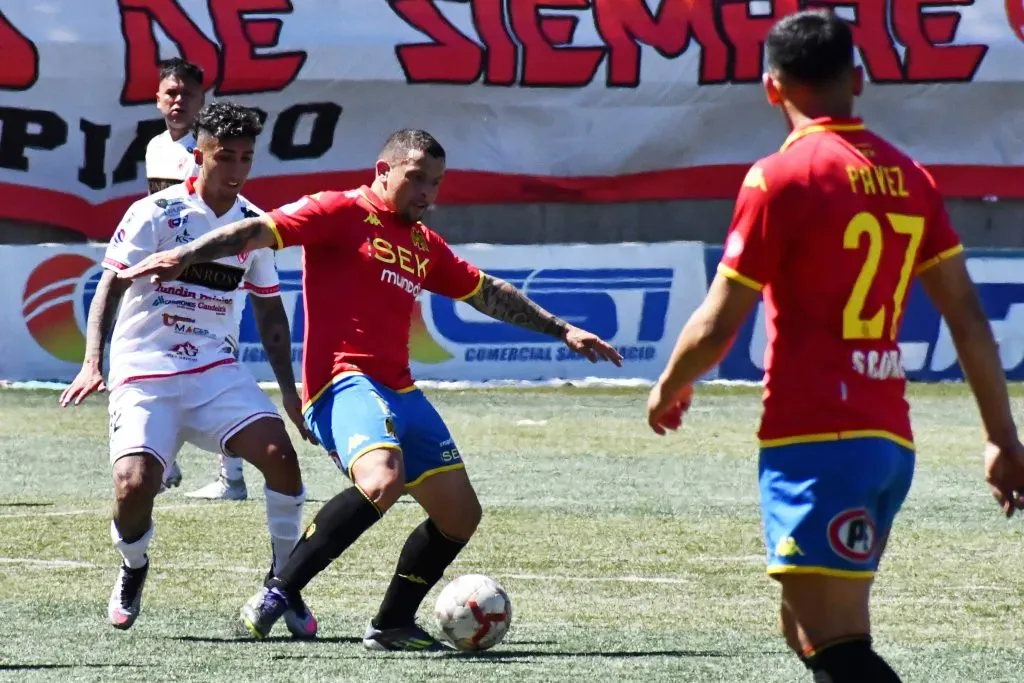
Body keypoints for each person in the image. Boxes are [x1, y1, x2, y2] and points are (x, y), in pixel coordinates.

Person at [116, 128, 624, 650]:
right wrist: (187, 254)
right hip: (340, 381)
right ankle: (278, 590)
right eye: (417, 178)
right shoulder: (337, 211)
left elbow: (488, 292)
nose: (428, 192)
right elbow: (253, 232)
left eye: (436, 182)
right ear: (384, 171)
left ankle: (391, 623)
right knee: (382, 478)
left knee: (460, 515)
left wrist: (563, 329)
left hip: (399, 390)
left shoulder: (424, 244)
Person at [646, 10, 1024, 683]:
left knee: (836, 638)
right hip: (884, 440)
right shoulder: (911, 177)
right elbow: (966, 315)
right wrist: (1002, 436)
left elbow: (717, 320)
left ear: (771, 87)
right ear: (857, 78)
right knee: (806, 627)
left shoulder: (780, 178)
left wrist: (670, 381)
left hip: (819, 438)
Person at [60, 101, 319, 638]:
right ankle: (133, 567)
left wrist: (291, 394)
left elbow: (271, 313)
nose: (236, 169)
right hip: (144, 372)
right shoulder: (155, 212)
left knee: (282, 458)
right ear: (197, 155)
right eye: (225, 156)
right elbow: (110, 282)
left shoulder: (253, 225)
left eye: (246, 157)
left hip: (214, 371)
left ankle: (284, 583)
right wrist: (93, 361)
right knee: (134, 487)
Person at [144, 57, 251, 501]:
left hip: (211, 279)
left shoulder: (207, 147)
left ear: (203, 100)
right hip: (169, 279)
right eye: (171, 92)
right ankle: (164, 460)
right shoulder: (154, 147)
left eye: (188, 93)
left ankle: (233, 478)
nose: (178, 101)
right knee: (162, 364)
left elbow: (214, 214)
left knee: (216, 369)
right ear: (157, 99)